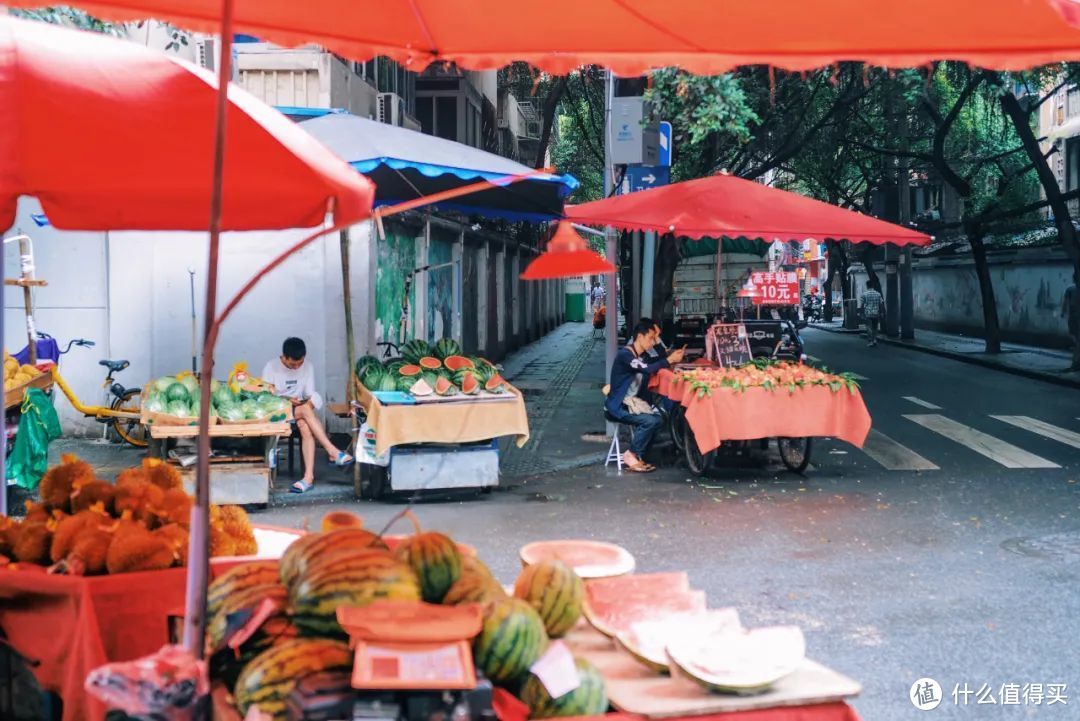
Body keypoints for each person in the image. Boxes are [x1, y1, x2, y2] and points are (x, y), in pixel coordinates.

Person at [262, 337, 352, 493]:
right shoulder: (271, 367)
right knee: (305, 412)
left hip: (300, 411)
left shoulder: (308, 366)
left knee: (305, 426)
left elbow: (311, 394)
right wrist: (288, 399)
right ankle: (332, 451)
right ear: (284, 357)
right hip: (278, 412)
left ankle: (308, 478)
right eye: (292, 364)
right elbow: (265, 397)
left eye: (300, 363)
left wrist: (308, 404)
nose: (297, 367)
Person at [605, 318, 685, 473]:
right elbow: (647, 369)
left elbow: (650, 368)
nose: (654, 342)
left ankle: (639, 455)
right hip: (619, 406)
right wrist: (669, 360)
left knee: (659, 420)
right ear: (640, 337)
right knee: (649, 421)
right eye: (651, 338)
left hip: (633, 404)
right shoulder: (625, 355)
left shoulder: (640, 356)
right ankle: (631, 454)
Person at [861, 280, 884, 347]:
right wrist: (882, 312)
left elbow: (862, 304)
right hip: (876, 312)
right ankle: (875, 340)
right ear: (873, 285)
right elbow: (881, 304)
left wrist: (861, 313)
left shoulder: (864, 294)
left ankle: (871, 340)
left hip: (868, 313)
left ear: (867, 286)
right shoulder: (878, 294)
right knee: (875, 327)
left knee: (868, 327)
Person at [1063, 283, 1077, 350]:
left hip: (1073, 314)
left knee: (1072, 331)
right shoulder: (1070, 289)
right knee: (1072, 331)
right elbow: (1066, 302)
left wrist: (1063, 312)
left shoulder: (1070, 289)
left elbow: (1066, 302)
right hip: (1073, 314)